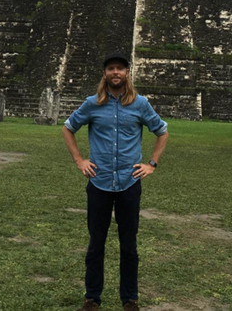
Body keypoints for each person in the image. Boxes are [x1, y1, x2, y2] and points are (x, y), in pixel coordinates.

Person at [62, 52, 170, 311]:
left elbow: (162, 131)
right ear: (104, 73)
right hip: (99, 181)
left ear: (127, 73)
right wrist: (79, 161)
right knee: (96, 243)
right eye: (111, 68)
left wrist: (151, 164)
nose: (116, 73)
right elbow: (68, 127)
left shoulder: (141, 104)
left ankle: (130, 299)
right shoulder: (92, 104)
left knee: (129, 245)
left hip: (129, 182)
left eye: (120, 68)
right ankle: (92, 298)